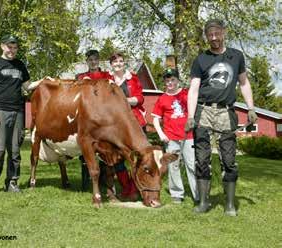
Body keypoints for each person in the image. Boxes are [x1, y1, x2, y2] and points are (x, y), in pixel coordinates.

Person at [186, 19, 258, 216]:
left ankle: (229, 205)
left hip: (226, 112)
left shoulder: (236, 56)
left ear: (224, 32)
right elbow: (193, 90)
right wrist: (190, 116)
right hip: (203, 112)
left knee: (229, 160)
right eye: (210, 34)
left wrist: (251, 108)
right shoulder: (201, 59)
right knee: (202, 159)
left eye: (217, 33)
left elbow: (244, 83)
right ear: (206, 36)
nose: (214, 38)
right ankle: (203, 202)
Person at [0, 34, 42, 193]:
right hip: (0, 110)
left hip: (17, 112)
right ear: (3, 46)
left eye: (15, 48)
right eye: (10, 47)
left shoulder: (20, 65)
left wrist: (43, 81)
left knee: (15, 151)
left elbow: (27, 87)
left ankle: (12, 182)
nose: (12, 51)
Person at [152, 68, 198, 204]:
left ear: (178, 80)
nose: (170, 83)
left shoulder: (186, 94)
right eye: (167, 80)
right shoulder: (162, 99)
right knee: (174, 166)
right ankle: (177, 193)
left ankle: (198, 194)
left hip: (188, 136)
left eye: (172, 80)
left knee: (192, 165)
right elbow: (155, 119)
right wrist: (161, 134)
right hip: (171, 138)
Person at [107, 52, 147, 201]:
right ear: (111, 65)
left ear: (124, 63)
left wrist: (122, 101)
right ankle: (126, 187)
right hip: (115, 124)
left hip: (134, 122)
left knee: (138, 157)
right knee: (118, 157)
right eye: (115, 62)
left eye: (121, 61)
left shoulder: (133, 78)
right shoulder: (108, 80)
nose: (118, 64)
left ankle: (137, 187)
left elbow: (140, 98)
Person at [76, 49, 109, 191]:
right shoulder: (81, 77)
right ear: (87, 61)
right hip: (87, 118)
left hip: (103, 118)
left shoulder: (106, 76)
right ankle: (86, 181)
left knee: (103, 149)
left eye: (95, 59)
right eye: (90, 60)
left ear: (99, 60)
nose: (93, 62)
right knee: (86, 149)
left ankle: (105, 181)